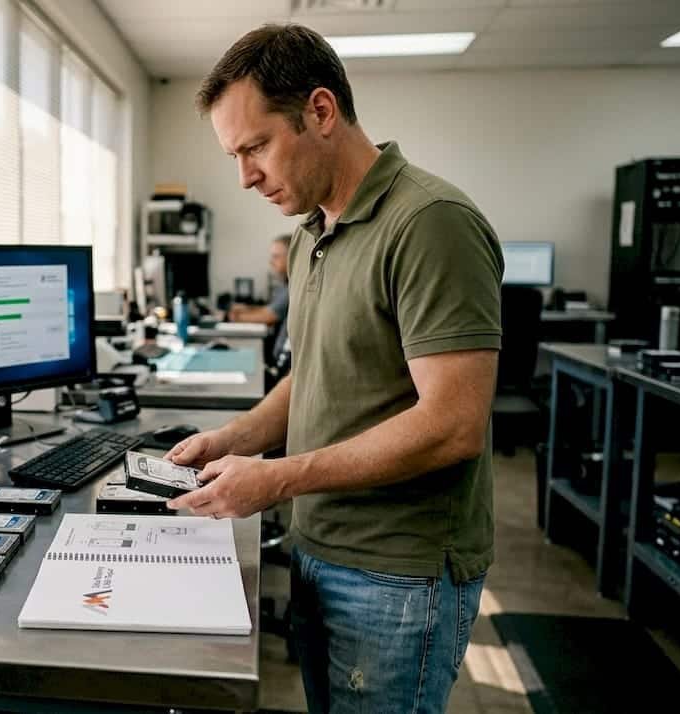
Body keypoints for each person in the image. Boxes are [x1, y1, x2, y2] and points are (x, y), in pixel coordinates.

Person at [166, 24, 503, 714]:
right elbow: (316, 375)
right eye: (235, 154)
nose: (245, 175)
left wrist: (278, 476)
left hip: (396, 575)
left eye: (255, 146)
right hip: (322, 545)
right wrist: (235, 440)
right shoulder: (313, 233)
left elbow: (454, 425)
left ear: (320, 111)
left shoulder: (429, 222)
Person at [228, 234, 292, 369]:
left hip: (281, 364)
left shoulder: (293, 287)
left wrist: (233, 317)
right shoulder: (284, 284)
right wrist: (245, 308)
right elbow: (268, 309)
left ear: (292, 256)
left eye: (276, 256)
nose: (271, 262)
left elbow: (268, 317)